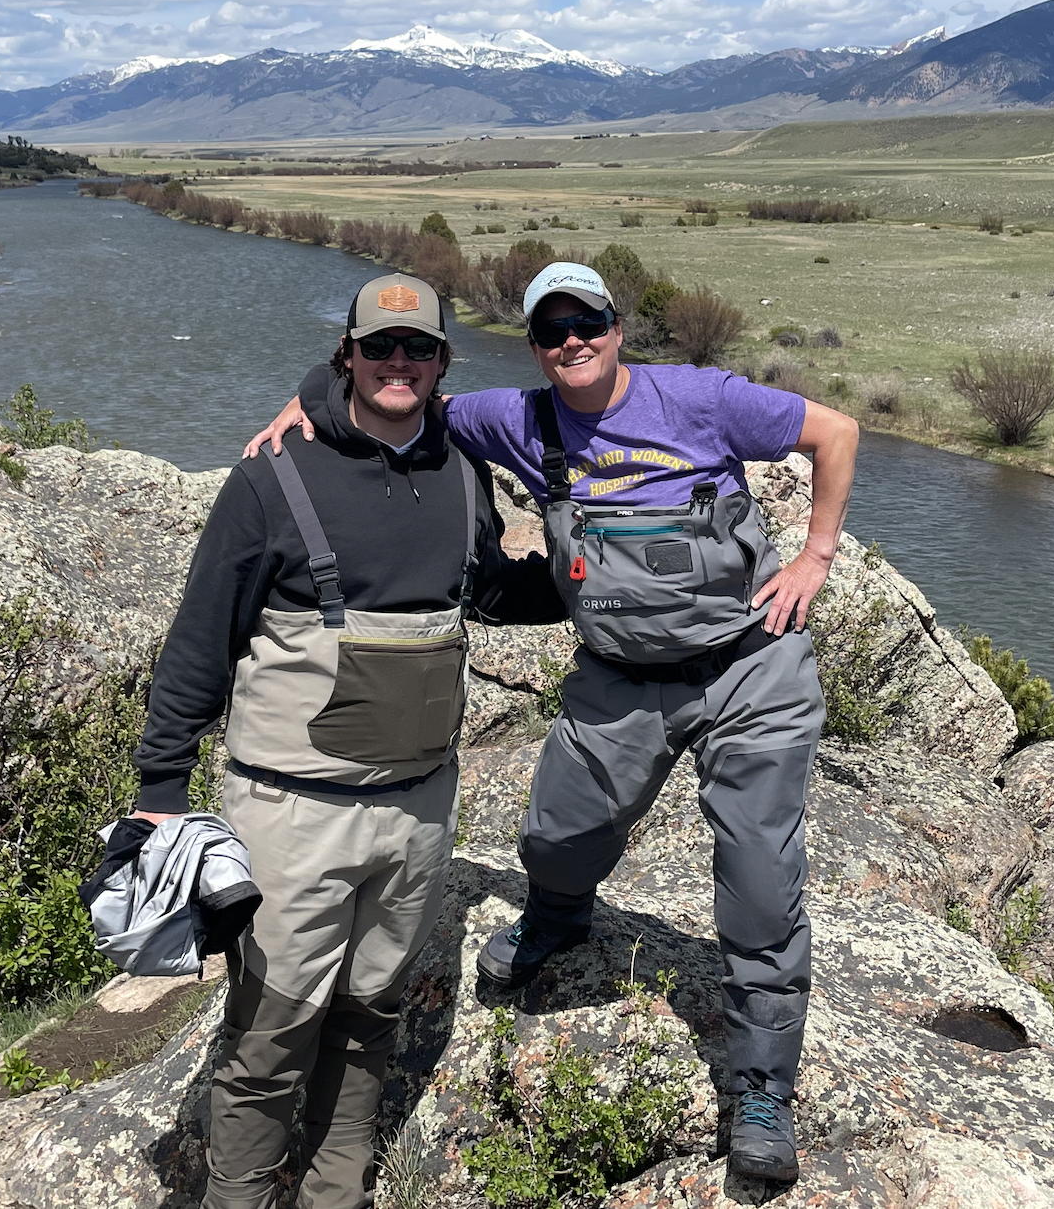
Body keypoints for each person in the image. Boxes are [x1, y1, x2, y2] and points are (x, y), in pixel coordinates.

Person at [248, 260, 859, 1184]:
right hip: (619, 678)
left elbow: (835, 431)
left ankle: (763, 1089)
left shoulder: (702, 398)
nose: (572, 341)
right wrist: (306, 403)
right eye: (551, 330)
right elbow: (399, 391)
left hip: (749, 669)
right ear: (533, 346)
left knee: (760, 880)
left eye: (588, 324)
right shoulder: (519, 419)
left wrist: (816, 554)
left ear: (617, 328)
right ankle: (558, 918)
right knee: (555, 838)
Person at [131, 272, 563, 1209]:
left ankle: (337, 1192)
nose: (398, 362)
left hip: (418, 814)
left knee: (371, 1018)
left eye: (419, 348)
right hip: (292, 818)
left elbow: (485, 589)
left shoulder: (463, 473)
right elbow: (201, 640)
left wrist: (583, 578)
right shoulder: (270, 477)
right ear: (348, 355)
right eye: (379, 346)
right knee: (269, 1036)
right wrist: (160, 790)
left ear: (443, 363)